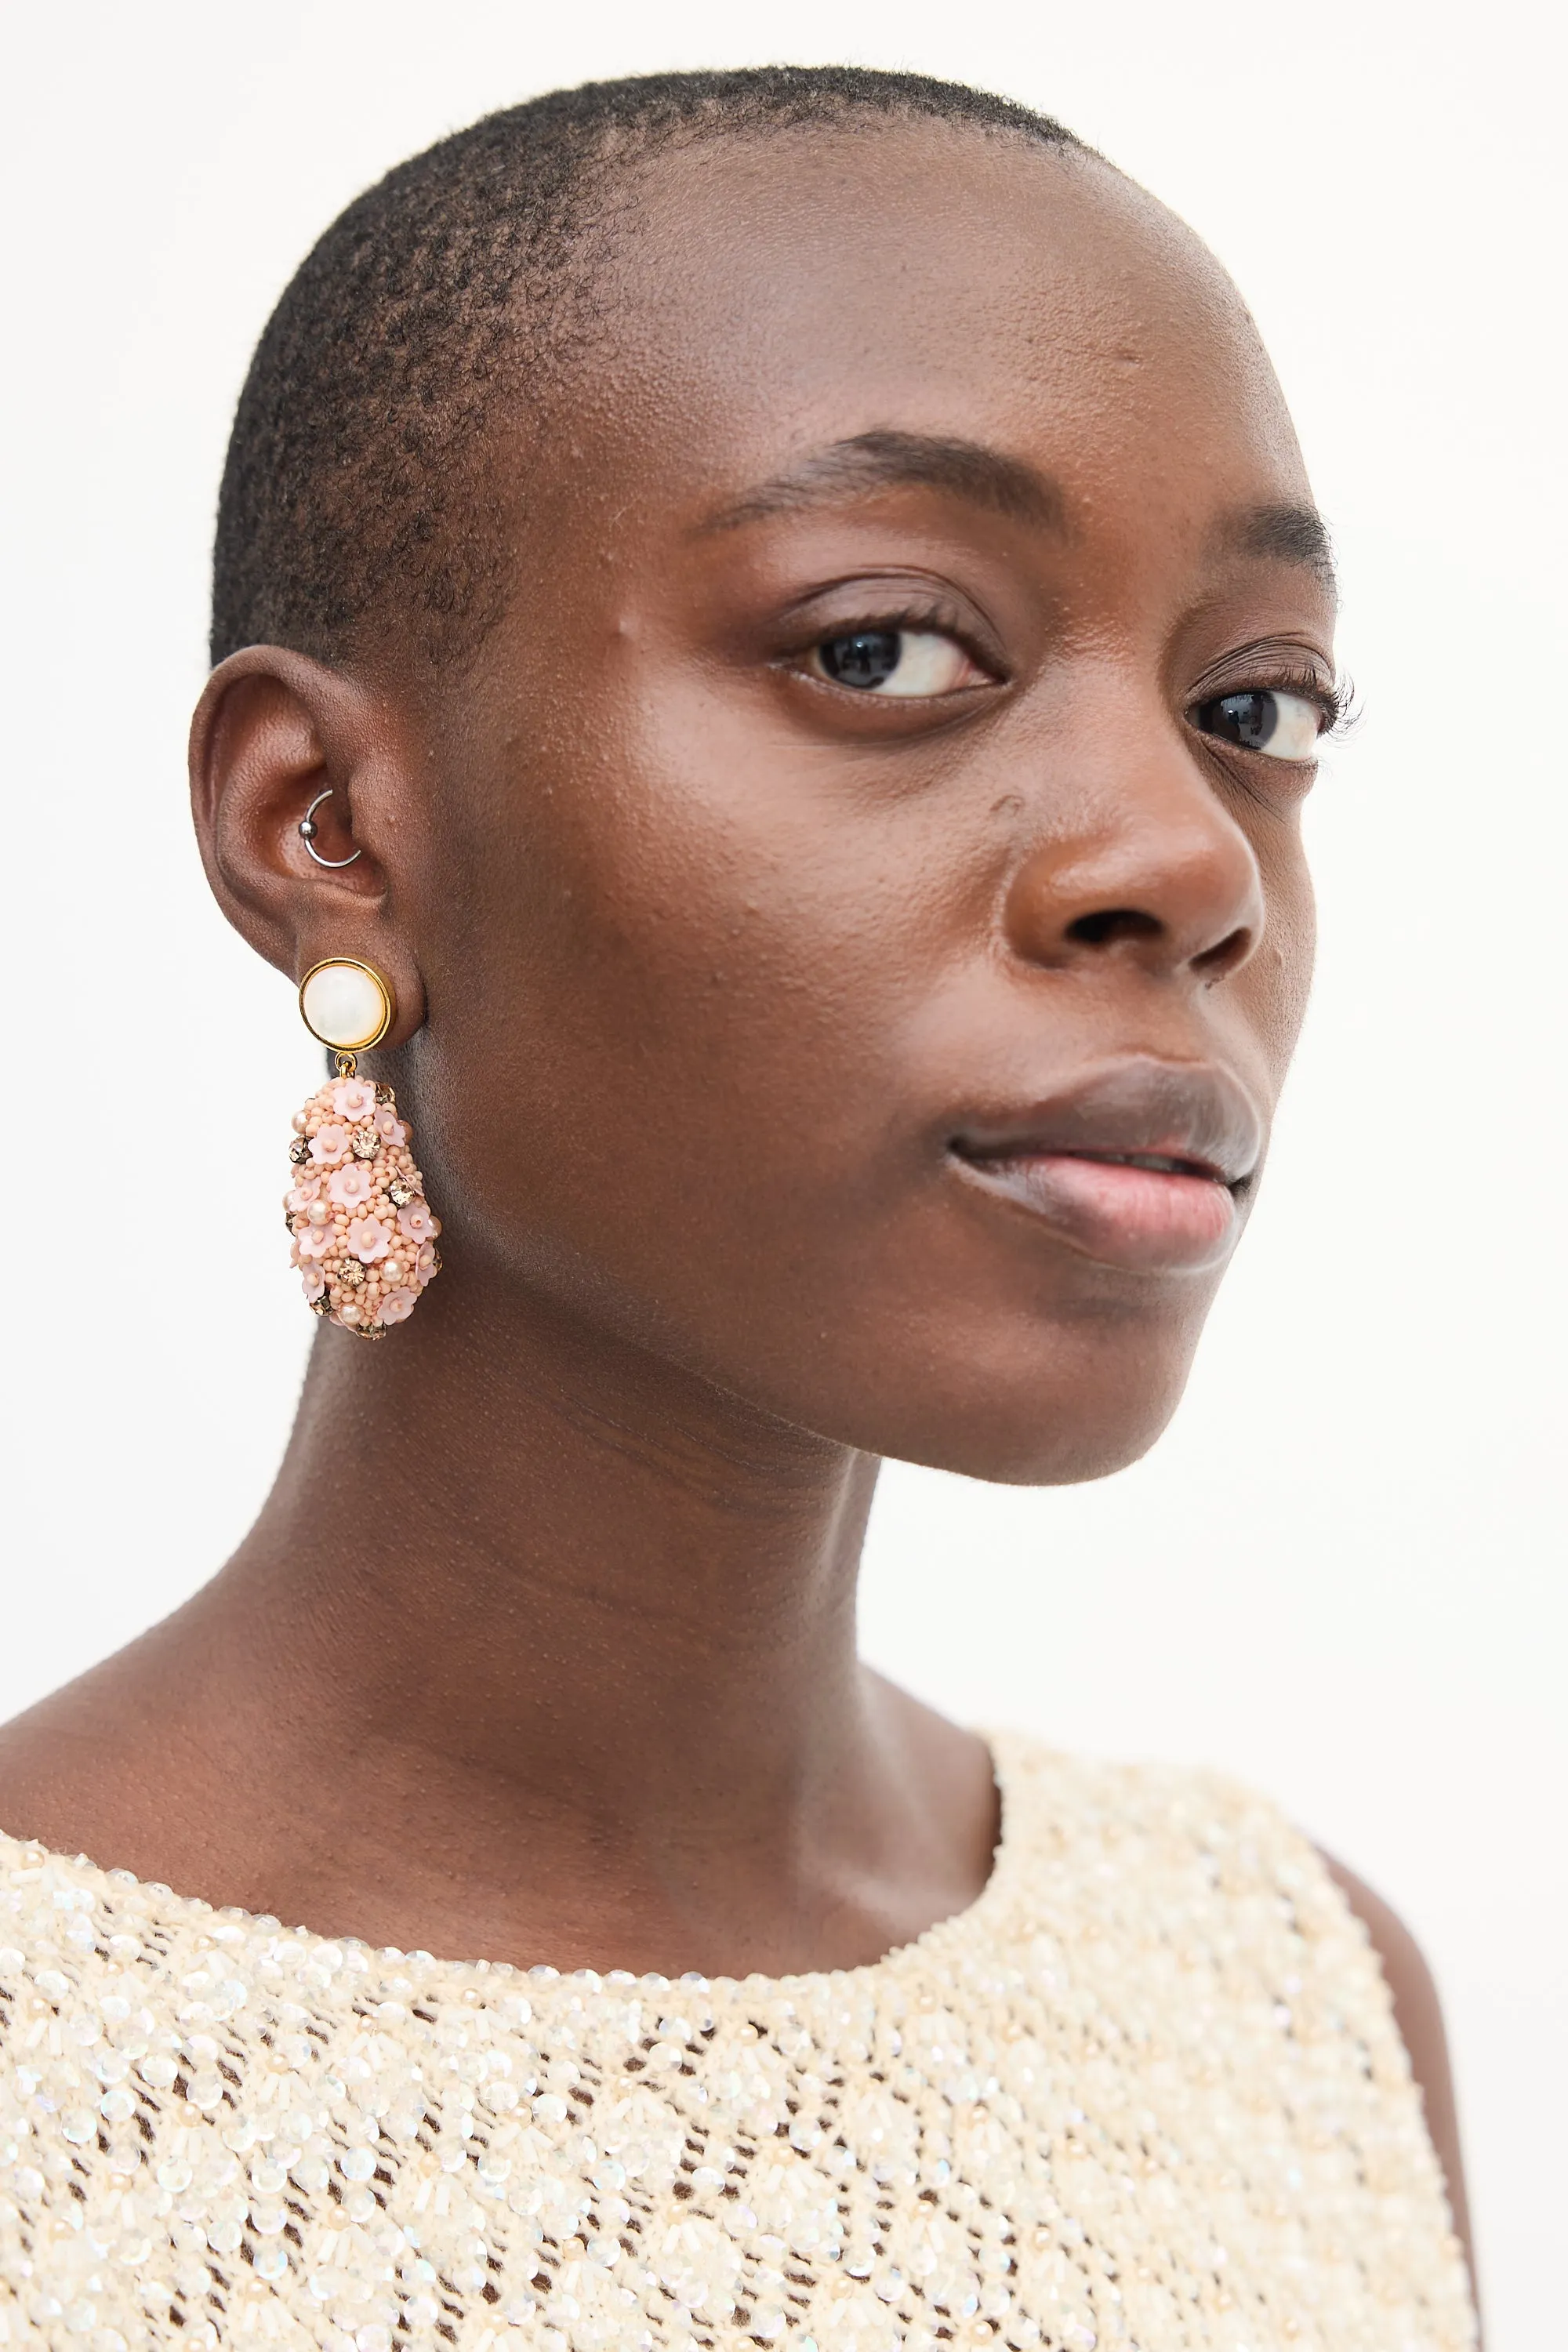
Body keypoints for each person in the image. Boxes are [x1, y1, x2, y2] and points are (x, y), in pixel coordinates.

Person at [0, 66, 1477, 2352]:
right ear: (323, 828)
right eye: (881, 650)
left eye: (1255, 706)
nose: (1184, 863)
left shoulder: (1296, 1996)